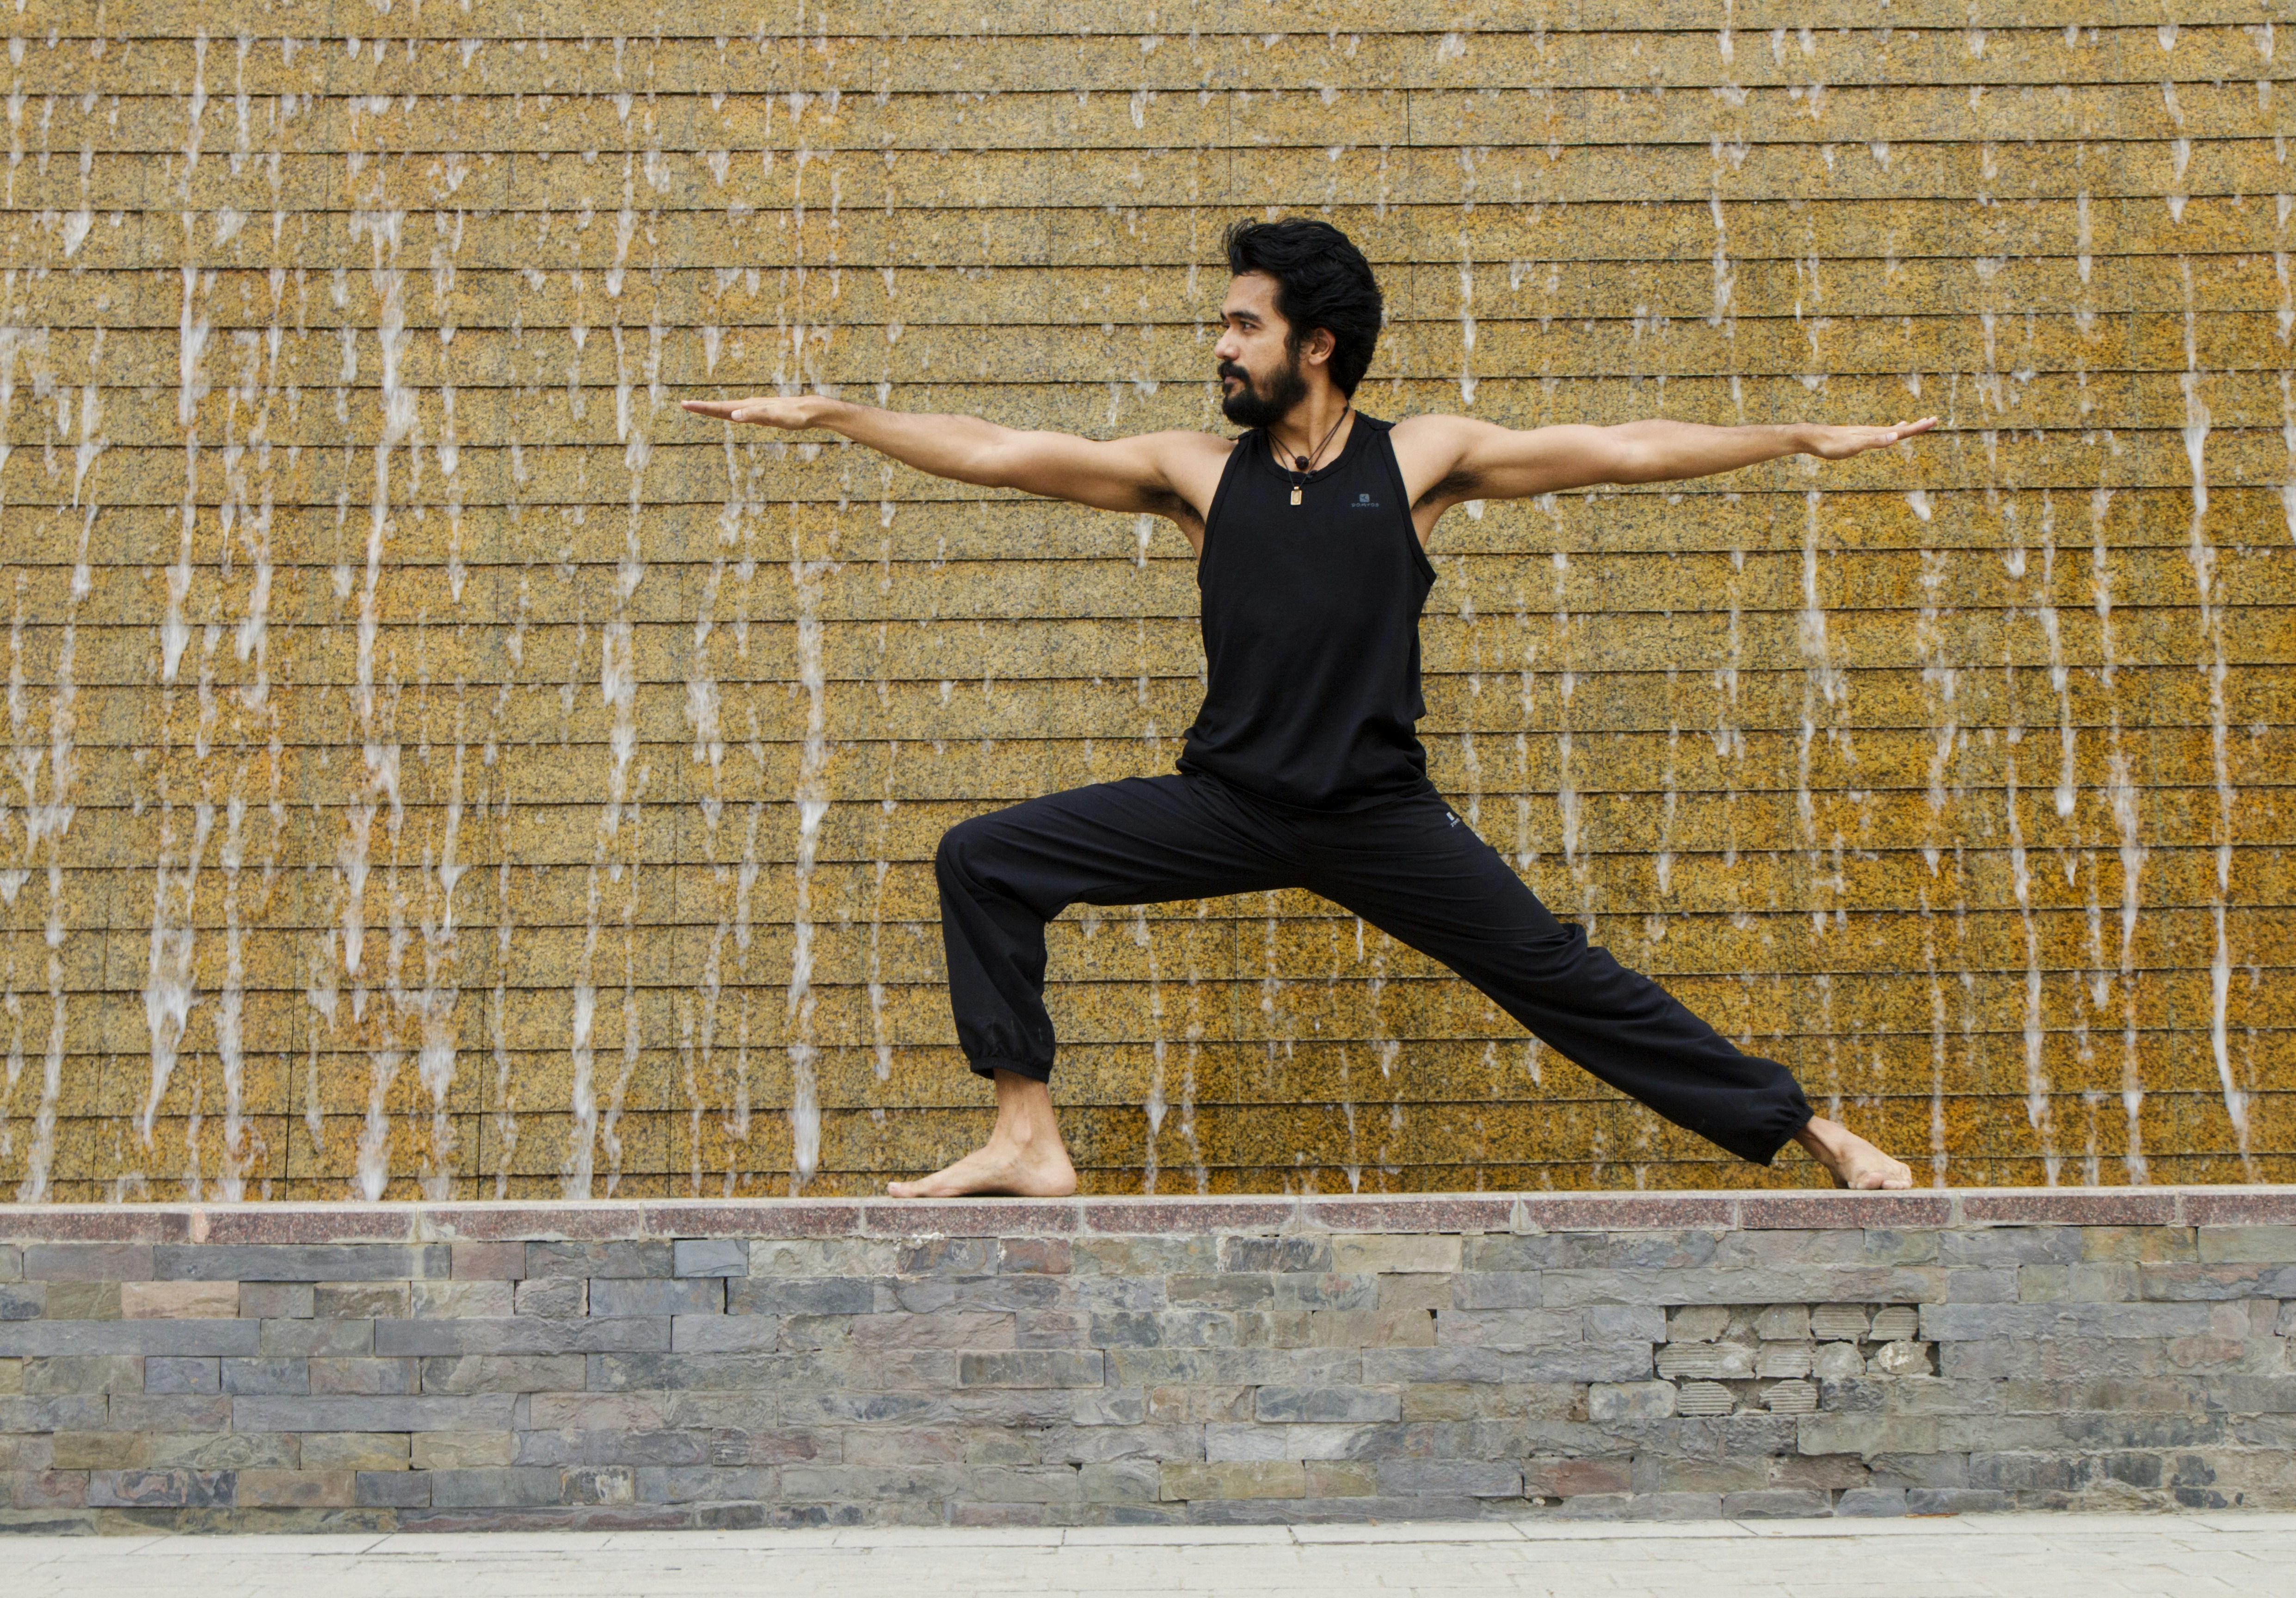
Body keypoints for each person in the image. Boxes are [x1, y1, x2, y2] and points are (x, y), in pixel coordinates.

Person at [683, 217, 1933, 1198]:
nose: (1221, 346)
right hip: (1227, 803)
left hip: (1376, 813)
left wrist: (1794, 439)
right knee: (988, 860)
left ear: (1314, 344)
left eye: (1243, 325)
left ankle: (1813, 1130)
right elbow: (1001, 449)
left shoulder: (1423, 460)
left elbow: (1626, 446)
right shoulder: (1192, 474)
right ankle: (1026, 1137)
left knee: (1565, 977)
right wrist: (841, 417)